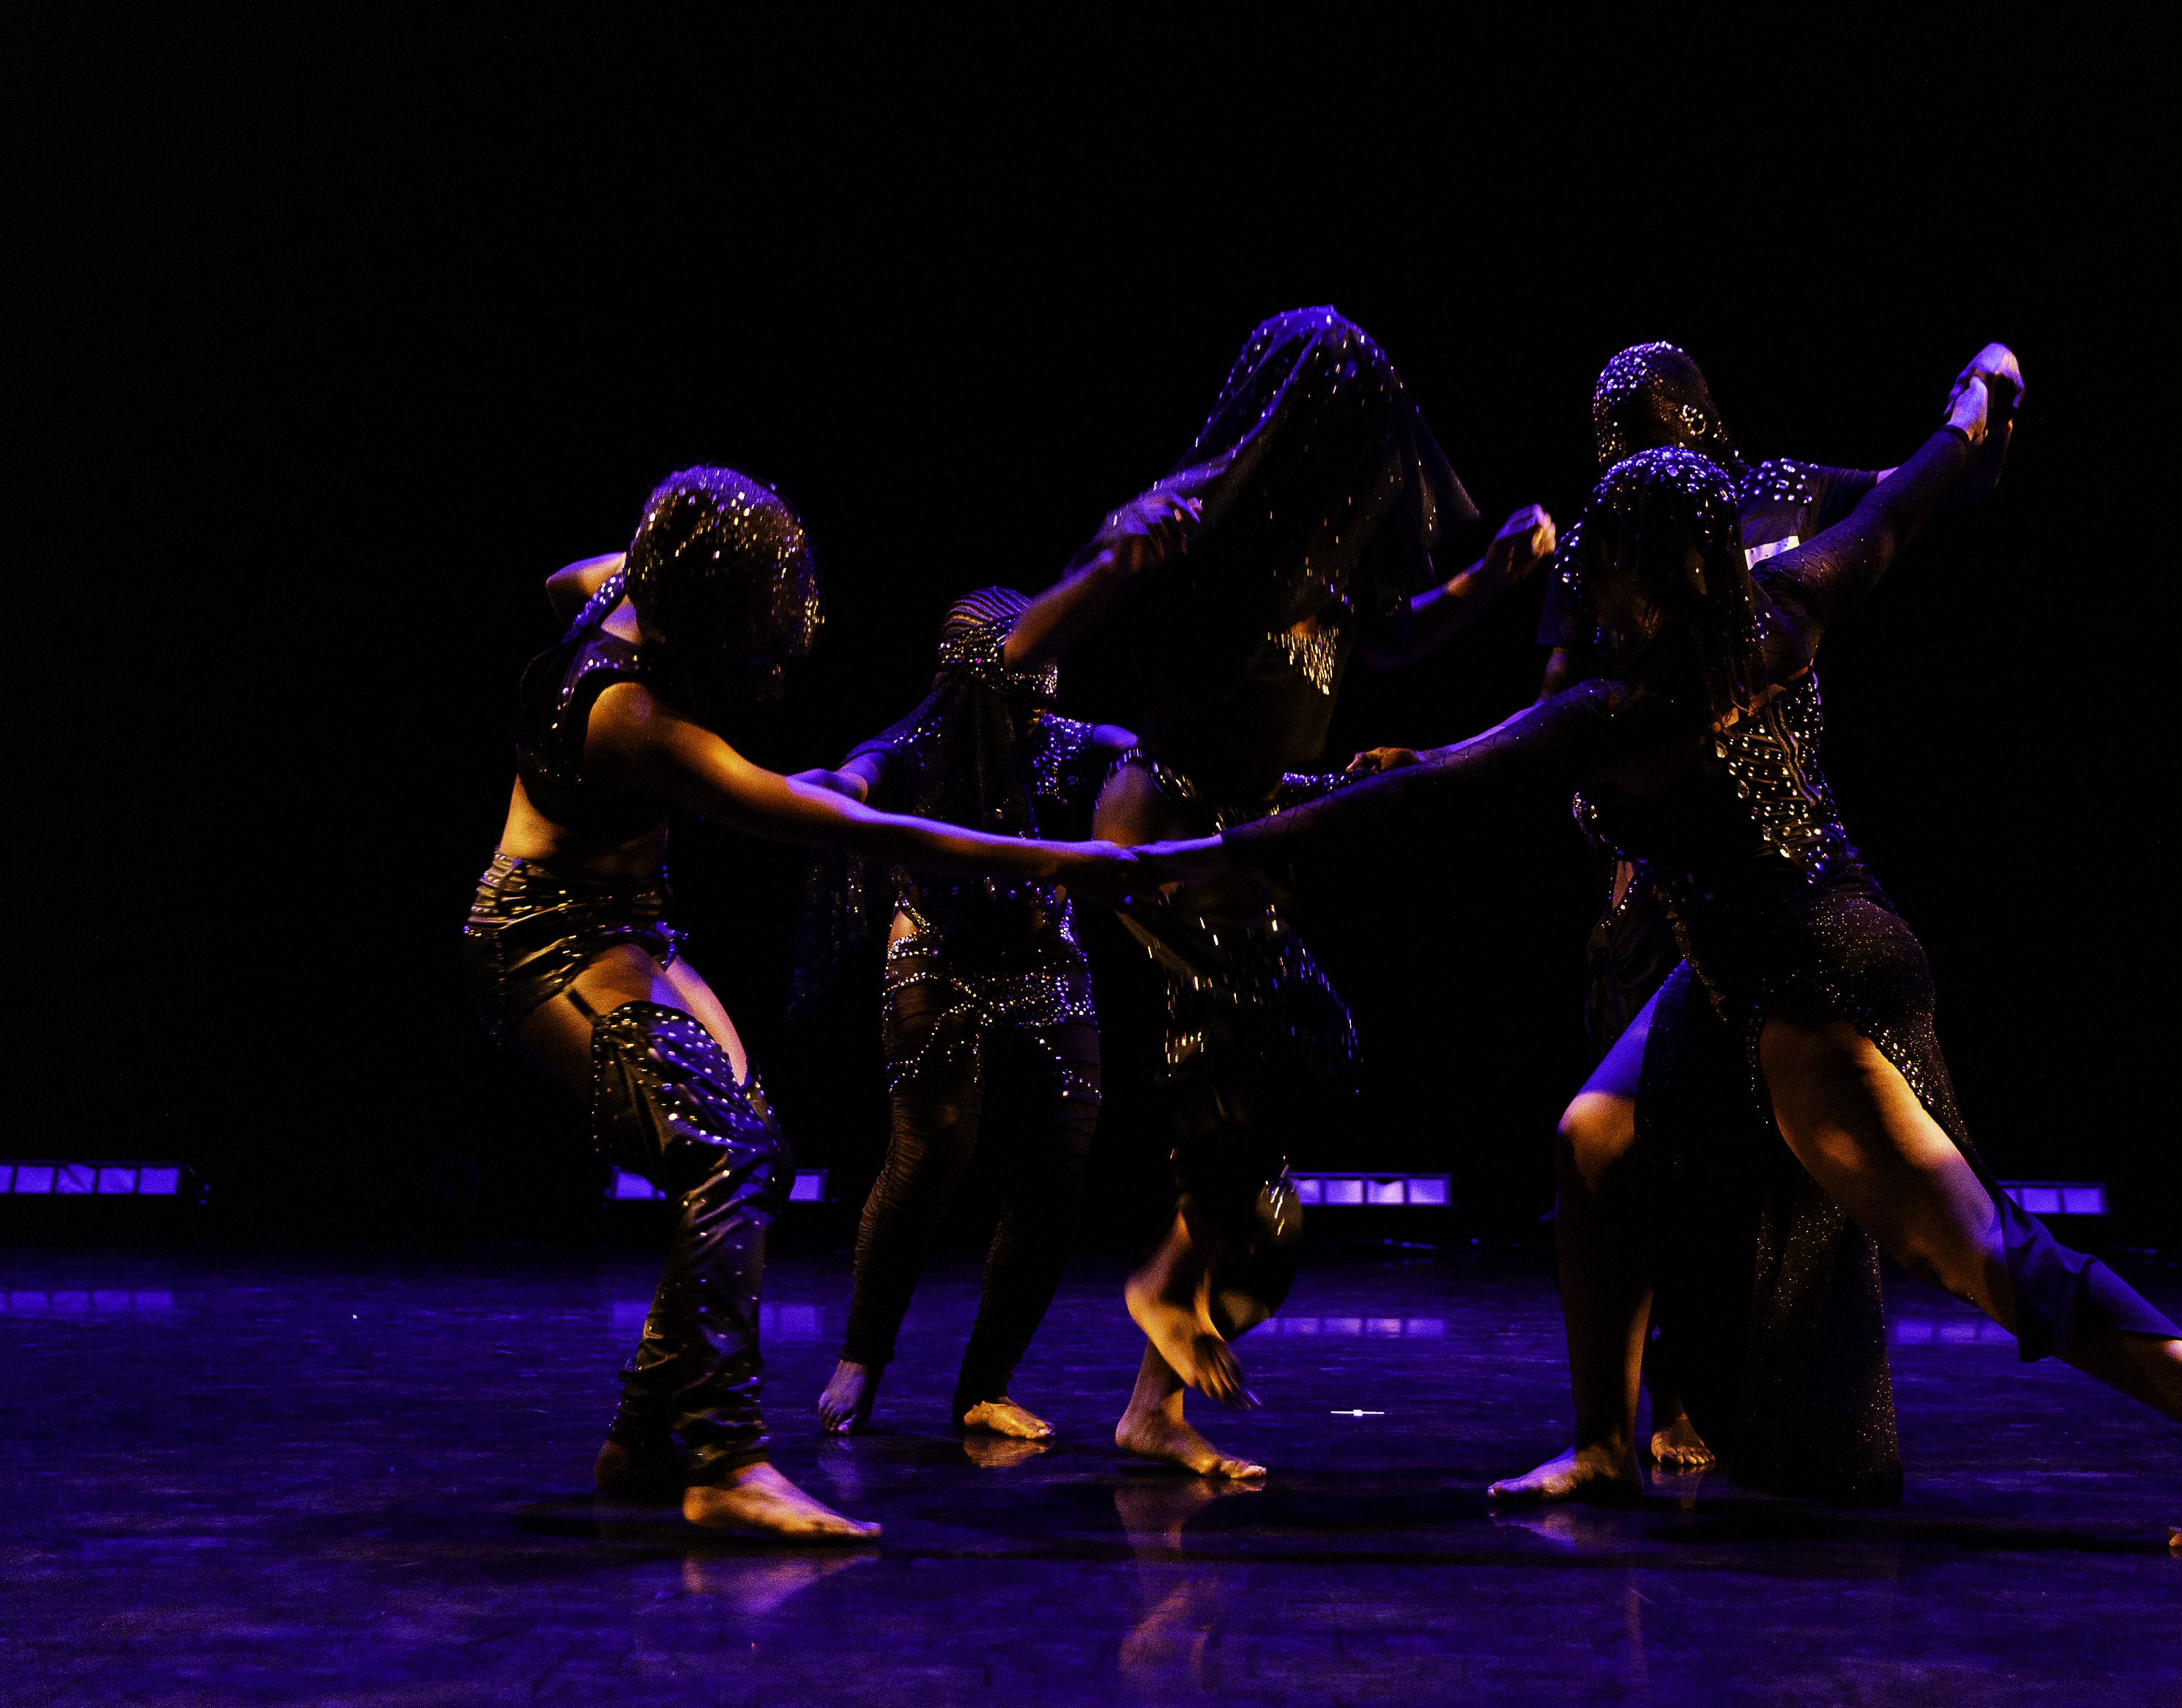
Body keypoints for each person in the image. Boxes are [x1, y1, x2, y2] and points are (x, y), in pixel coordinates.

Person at [1142, 363, 2182, 1551]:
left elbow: (1444, 784)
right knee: (1592, 1139)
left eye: (1604, 563)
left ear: (1642, 578)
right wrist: (1977, 400)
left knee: (1968, 1245)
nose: (1588, 579)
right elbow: (1904, 499)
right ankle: (1605, 1443)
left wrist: (1218, 844)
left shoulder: (1630, 706)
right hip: (1755, 956)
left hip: (1807, 980)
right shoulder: (1786, 601)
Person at [462, 467, 1139, 1541]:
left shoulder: (605, 590)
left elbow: (563, 581)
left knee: (752, 1149)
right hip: (546, 939)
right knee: (723, 1155)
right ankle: (726, 1460)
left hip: (623, 924)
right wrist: (1060, 857)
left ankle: (640, 1438)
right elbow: (865, 836)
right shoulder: (634, 717)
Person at [1001, 307, 1557, 1478]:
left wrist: (1493, 578)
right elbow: (1061, 622)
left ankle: (1154, 1403)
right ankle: (1159, 1285)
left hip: (1236, 837)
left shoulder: (1333, 558)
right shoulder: (1207, 525)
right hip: (1160, 827)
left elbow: (1396, 637)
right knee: (1263, 1055)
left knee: (1290, 1133)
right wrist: (1112, 557)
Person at [1524, 340, 2021, 1484]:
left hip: (1768, 882)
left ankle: (1717, 1400)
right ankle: (1638, 1413)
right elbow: (1557, 719)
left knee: (1792, 1152)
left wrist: (1978, 408)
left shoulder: (1787, 510)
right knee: (1623, 1141)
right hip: (1656, 878)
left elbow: (1923, 494)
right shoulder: (1611, 536)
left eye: (1658, 423)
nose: (1647, 445)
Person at [792, 587, 1134, 1444]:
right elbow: (854, 777)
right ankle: (861, 1354)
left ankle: (984, 1385)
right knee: (929, 1150)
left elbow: (1147, 758)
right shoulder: (914, 743)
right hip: (937, 957)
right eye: (1027, 667)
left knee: (1056, 1174)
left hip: (1046, 961)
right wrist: (804, 789)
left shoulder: (1069, 743)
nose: (1045, 687)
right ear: (982, 672)